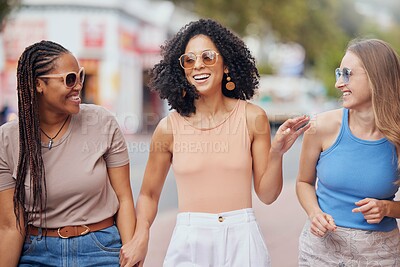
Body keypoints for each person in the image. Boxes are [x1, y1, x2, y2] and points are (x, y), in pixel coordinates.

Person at [120, 18, 310, 267]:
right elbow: (148, 194)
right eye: (189, 60)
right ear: (182, 70)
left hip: (243, 239)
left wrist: (277, 152)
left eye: (208, 56)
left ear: (227, 65)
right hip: (188, 240)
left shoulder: (252, 117)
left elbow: (267, 194)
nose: (198, 65)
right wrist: (141, 236)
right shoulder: (168, 128)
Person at [0, 40, 136, 266]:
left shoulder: (102, 122)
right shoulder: (7, 140)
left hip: (101, 250)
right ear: (38, 84)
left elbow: (124, 200)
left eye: (80, 76)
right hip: (38, 254)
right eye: (70, 79)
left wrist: (131, 257)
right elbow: (10, 226)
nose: (79, 85)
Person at [296, 38, 400, 266]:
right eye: (338, 73)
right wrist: (314, 213)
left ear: (377, 78)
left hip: (380, 254)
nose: (338, 83)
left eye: (347, 74)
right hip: (321, 250)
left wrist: (388, 208)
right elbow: (303, 182)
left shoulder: (397, 137)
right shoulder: (319, 126)